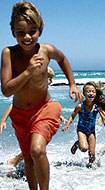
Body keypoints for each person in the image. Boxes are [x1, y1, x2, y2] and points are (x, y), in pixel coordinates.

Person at [0, 1, 83, 189]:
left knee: (37, 150)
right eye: (21, 32)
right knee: (29, 159)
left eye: (32, 31)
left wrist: (72, 84)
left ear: (40, 30)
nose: (27, 37)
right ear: (13, 31)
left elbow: (62, 59)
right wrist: (28, 71)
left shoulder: (46, 50)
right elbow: (6, 90)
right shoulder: (8, 54)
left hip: (45, 109)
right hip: (21, 116)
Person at [0, 66, 65, 168]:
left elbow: (47, 105)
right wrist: (3, 120)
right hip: (28, 120)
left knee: (35, 145)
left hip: (38, 120)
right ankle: (15, 161)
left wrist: (57, 115)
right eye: (49, 79)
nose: (50, 82)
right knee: (32, 146)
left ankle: (18, 162)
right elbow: (13, 105)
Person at [62, 82, 105, 166]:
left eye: (93, 91)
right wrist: (67, 124)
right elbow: (72, 116)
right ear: (84, 93)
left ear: (96, 93)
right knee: (84, 148)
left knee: (92, 155)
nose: (91, 93)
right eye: (88, 91)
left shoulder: (97, 106)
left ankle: (89, 171)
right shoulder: (80, 106)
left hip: (91, 131)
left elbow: (104, 119)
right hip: (81, 130)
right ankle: (77, 144)